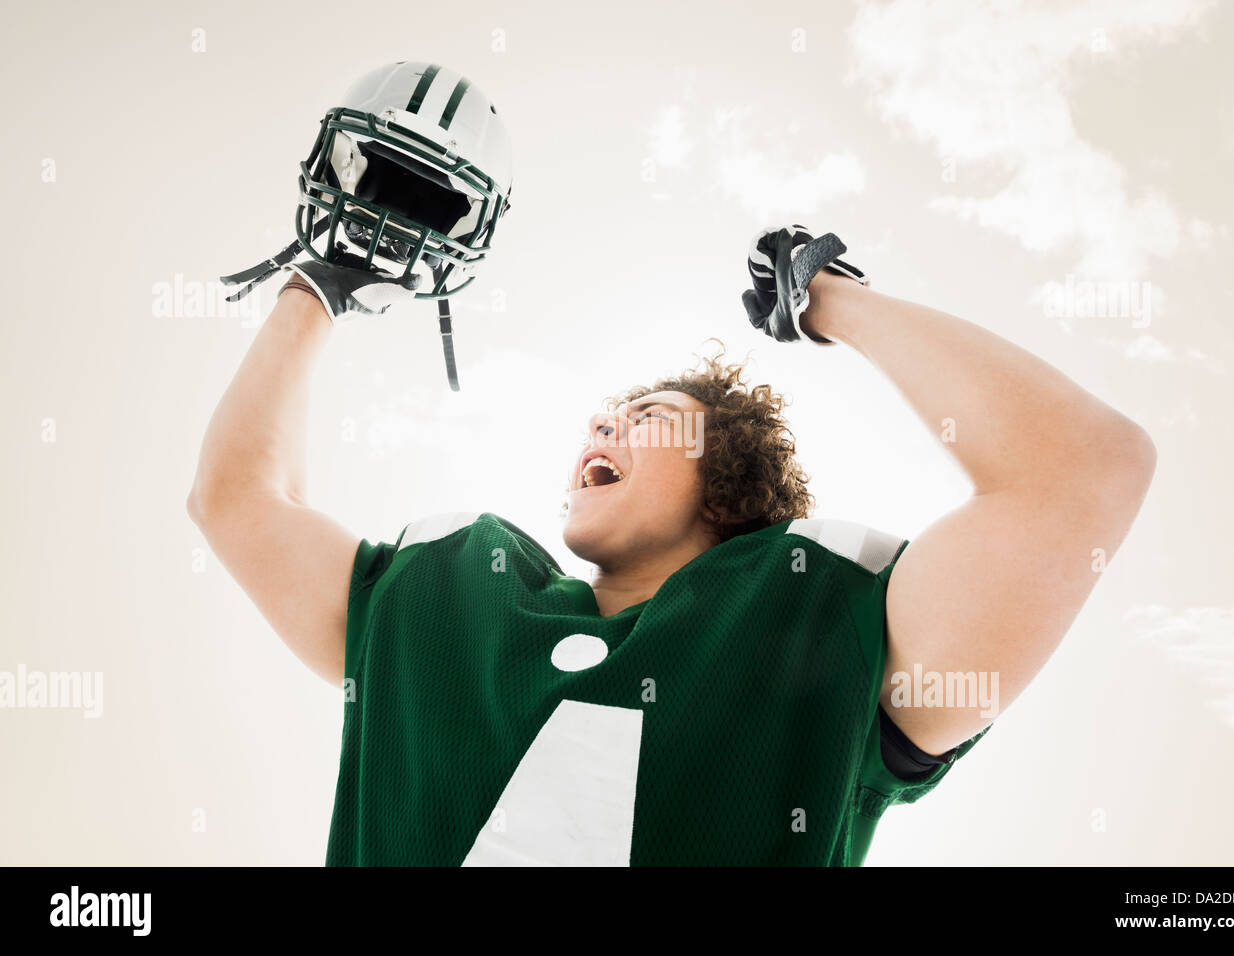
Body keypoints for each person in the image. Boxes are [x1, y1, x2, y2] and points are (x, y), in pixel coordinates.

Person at [187, 251, 1156, 866]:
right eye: (600, 417)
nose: (602, 426)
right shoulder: (448, 586)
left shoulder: (821, 611)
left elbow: (1081, 473)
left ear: (728, 489)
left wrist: (825, 295)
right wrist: (322, 283)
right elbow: (237, 500)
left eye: (645, 418)